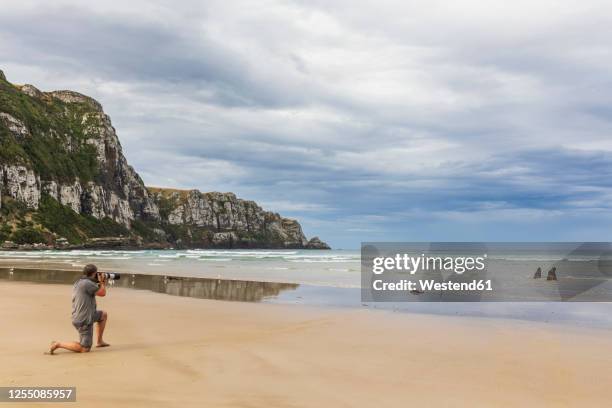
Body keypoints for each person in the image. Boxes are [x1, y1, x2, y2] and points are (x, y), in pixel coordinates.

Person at [49, 264, 110, 354]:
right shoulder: (88, 284)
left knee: (103, 315)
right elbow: (102, 293)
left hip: (82, 315)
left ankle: (99, 341)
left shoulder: (79, 282)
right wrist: (102, 282)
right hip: (84, 320)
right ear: (94, 273)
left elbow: (92, 289)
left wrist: (98, 281)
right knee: (85, 348)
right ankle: (58, 344)